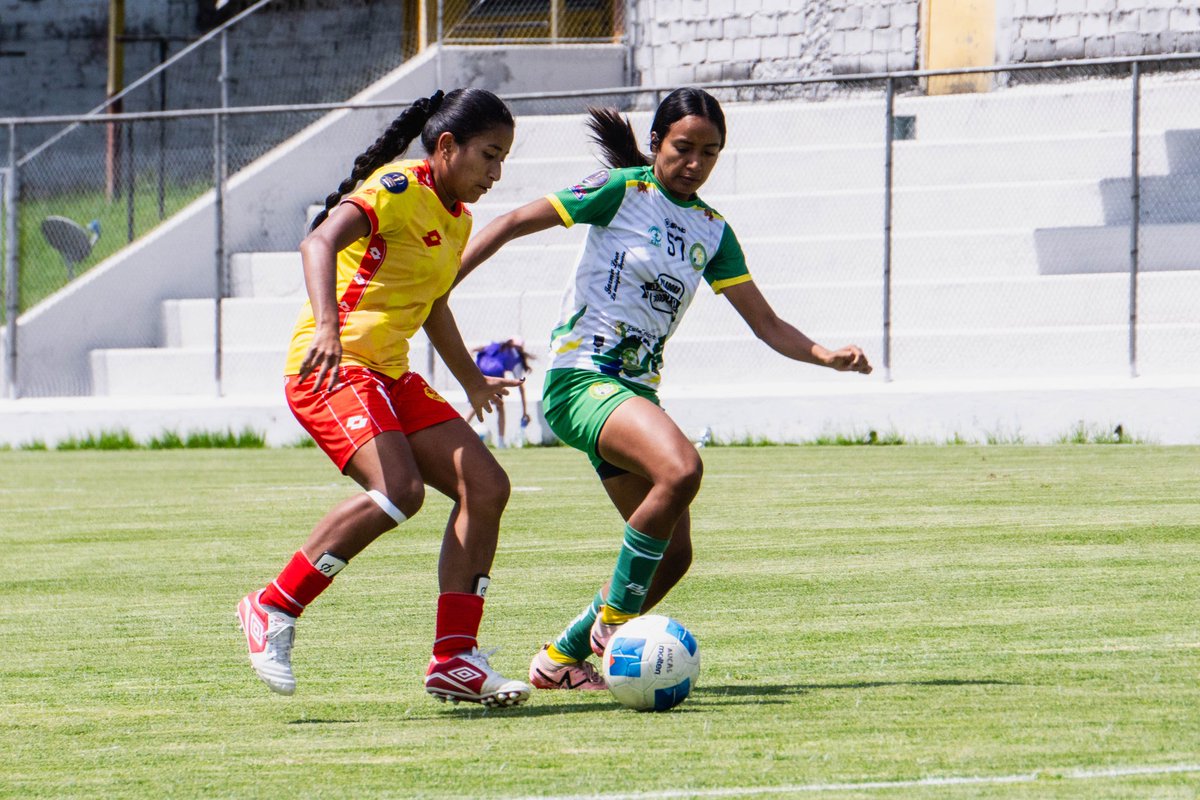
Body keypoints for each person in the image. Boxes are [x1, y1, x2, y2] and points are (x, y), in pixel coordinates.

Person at [457, 88, 873, 692]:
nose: (695, 162)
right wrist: (442, 280)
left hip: (634, 399)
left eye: (710, 152)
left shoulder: (713, 230)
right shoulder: (622, 190)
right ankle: (615, 620)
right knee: (681, 469)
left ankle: (560, 659)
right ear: (656, 145)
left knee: (674, 554)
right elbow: (512, 221)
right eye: (683, 147)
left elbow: (768, 324)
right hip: (582, 381)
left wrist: (825, 355)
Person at [236, 88, 532, 708]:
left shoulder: (458, 218)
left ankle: (454, 660)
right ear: (446, 146)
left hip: (388, 375)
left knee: (487, 486)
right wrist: (324, 327)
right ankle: (272, 606)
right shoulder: (397, 187)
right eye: (488, 155)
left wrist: (473, 379)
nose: (496, 173)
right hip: (332, 366)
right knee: (401, 493)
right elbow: (317, 242)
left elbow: (434, 306)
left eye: (504, 158)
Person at [470, 337, 535, 447]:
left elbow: (476, 349)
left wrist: (470, 353)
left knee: (475, 404)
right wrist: (524, 412)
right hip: (495, 371)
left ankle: (459, 429)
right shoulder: (515, 355)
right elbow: (520, 385)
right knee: (500, 407)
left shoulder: (496, 346)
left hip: (479, 369)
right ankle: (501, 442)